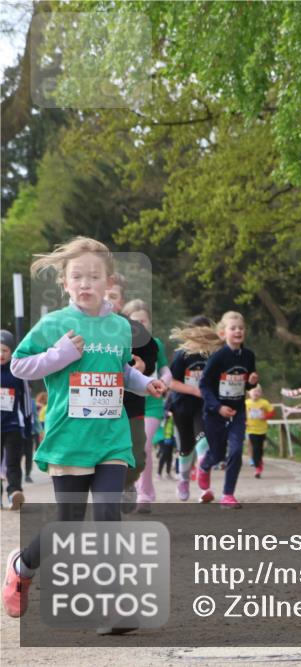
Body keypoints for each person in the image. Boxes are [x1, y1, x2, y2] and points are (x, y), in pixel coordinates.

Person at [3, 237, 165, 622]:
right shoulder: (54, 324)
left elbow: (120, 371)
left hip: (111, 437)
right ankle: (22, 568)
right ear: (65, 282)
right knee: (69, 524)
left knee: (109, 515)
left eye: (94, 276)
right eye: (78, 276)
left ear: (109, 281)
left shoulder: (119, 328)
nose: (86, 283)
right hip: (70, 439)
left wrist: (144, 384)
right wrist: (59, 355)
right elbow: (19, 367)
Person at [105, 274, 159, 514]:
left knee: (138, 451)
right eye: (104, 294)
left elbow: (151, 351)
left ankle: (128, 483)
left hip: (132, 404)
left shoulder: (133, 329)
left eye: (113, 296)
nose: (107, 300)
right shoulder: (81, 326)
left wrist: (143, 366)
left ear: (121, 301)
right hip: (96, 405)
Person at [196, 311, 258, 509]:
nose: (238, 331)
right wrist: (218, 407)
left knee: (236, 451)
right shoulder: (218, 358)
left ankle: (228, 495)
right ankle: (204, 466)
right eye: (233, 328)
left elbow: (245, 385)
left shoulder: (248, 356)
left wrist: (251, 383)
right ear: (223, 333)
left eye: (241, 328)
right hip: (215, 413)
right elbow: (204, 385)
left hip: (238, 411)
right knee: (217, 455)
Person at [121, 299, 172, 513]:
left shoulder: (155, 344)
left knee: (145, 446)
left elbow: (165, 371)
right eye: (135, 321)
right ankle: (127, 484)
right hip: (125, 403)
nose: (140, 325)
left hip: (150, 404)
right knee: (126, 449)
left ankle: (145, 494)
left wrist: (164, 383)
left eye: (144, 321)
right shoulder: (119, 343)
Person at [167, 316, 220, 500]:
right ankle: (183, 479)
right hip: (182, 405)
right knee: (186, 447)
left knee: (203, 440)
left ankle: (204, 486)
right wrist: (194, 390)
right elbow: (171, 382)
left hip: (203, 406)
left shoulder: (214, 355)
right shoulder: (182, 354)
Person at [1, 329, 33, 510]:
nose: (1, 354)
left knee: (13, 463)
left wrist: (28, 426)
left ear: (11, 351)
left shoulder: (18, 371)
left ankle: (14, 493)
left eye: (5, 350)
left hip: (13, 426)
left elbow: (27, 401)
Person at [244, 385, 274, 478]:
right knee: (255, 448)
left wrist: (265, 417)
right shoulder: (246, 403)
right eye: (254, 391)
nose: (256, 393)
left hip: (262, 430)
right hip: (251, 429)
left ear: (261, 393)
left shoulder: (264, 403)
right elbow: (241, 413)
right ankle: (258, 468)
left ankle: (259, 461)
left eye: (258, 392)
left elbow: (272, 412)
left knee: (259, 448)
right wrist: (243, 421)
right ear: (249, 393)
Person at [156, 411, 176, 479]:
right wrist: (165, 417)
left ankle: (168, 473)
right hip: (162, 437)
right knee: (164, 454)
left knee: (169, 456)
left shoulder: (173, 414)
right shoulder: (163, 412)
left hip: (171, 437)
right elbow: (160, 423)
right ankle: (159, 473)